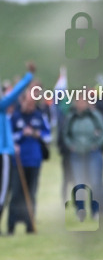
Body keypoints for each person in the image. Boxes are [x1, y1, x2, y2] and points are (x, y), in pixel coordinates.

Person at [8, 86, 50, 233]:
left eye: (33, 103)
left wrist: (37, 134)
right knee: (16, 193)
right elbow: (8, 137)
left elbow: (48, 135)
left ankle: (30, 224)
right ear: (22, 101)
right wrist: (21, 135)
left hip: (34, 160)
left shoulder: (39, 116)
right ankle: (11, 225)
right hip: (18, 161)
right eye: (28, 102)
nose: (30, 105)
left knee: (31, 194)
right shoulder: (15, 117)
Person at [0, 62, 35, 230]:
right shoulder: (1, 106)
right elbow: (14, 95)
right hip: (3, 152)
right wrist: (28, 76)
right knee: (3, 192)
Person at [62, 98, 103, 212]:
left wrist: (96, 144)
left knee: (95, 181)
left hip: (92, 154)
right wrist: (70, 145)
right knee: (79, 182)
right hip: (77, 155)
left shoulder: (94, 116)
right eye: (79, 102)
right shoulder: (72, 117)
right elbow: (66, 134)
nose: (81, 104)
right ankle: (80, 208)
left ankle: (96, 209)